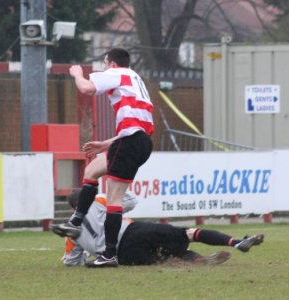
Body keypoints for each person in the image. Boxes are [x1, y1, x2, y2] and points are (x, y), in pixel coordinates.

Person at [51, 48, 154, 268]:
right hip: (140, 142)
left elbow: (87, 88)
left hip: (130, 142)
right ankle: (77, 223)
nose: (105, 68)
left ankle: (108, 253)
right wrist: (108, 143)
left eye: (105, 63)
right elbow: (137, 124)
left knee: (114, 201)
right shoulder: (136, 79)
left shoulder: (118, 74)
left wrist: (77, 74)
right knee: (92, 172)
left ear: (113, 64)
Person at [58, 189, 264, 267]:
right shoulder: (100, 200)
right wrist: (112, 188)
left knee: (167, 257)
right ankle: (237, 242)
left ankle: (199, 260)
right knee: (188, 234)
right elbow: (131, 201)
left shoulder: (71, 232)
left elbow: (71, 261)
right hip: (132, 232)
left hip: (124, 257)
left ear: (71, 208)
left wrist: (87, 258)